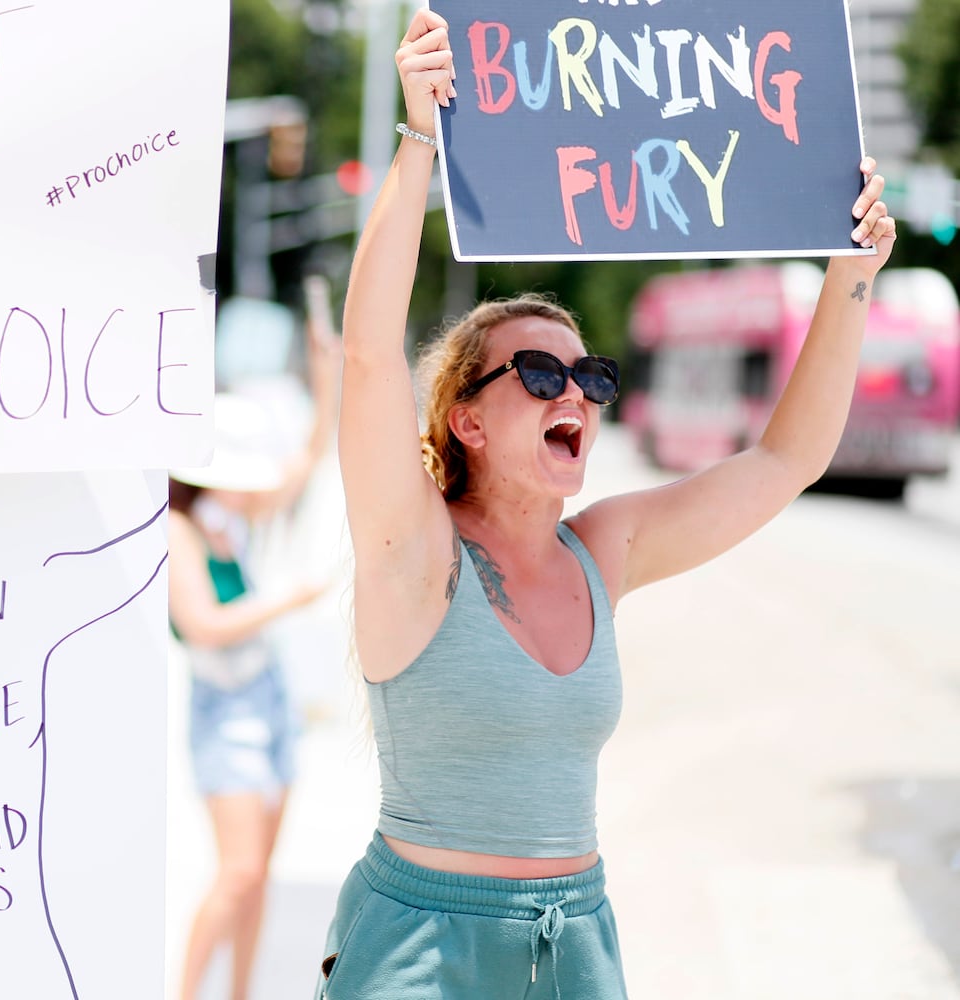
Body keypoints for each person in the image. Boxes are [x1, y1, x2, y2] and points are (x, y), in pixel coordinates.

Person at [314, 10, 895, 999]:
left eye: (588, 371)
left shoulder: (604, 547)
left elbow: (789, 458)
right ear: (467, 420)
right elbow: (369, 359)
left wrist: (851, 279)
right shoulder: (414, 548)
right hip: (420, 950)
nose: (571, 390)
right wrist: (418, 136)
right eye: (537, 371)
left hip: (575, 944)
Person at [170, 302, 341, 1000]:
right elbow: (203, 624)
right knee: (237, 872)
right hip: (225, 708)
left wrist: (330, 373)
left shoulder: (229, 518)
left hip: (268, 700)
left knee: (259, 874)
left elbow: (305, 459)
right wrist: (288, 600)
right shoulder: (179, 530)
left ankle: (239, 993)